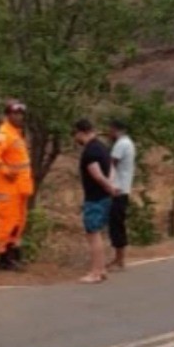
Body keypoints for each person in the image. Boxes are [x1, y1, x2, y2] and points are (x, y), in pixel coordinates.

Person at [0, 101, 35, 271]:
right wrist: (5, 171)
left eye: (21, 113)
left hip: (18, 188)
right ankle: (4, 259)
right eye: (15, 113)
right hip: (6, 188)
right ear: (8, 115)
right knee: (7, 222)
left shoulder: (16, 133)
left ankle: (14, 255)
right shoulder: (4, 134)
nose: (19, 116)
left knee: (18, 222)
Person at [73, 119, 118, 284]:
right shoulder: (102, 147)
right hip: (104, 197)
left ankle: (96, 272)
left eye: (75, 134)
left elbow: (97, 174)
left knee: (93, 234)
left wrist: (108, 187)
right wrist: (111, 185)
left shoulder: (90, 151)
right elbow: (112, 169)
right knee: (97, 232)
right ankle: (102, 269)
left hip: (95, 197)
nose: (75, 138)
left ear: (81, 132)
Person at [106, 118, 137, 272]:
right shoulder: (128, 143)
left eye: (110, 130)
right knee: (117, 224)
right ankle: (119, 258)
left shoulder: (121, 144)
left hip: (118, 189)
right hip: (123, 188)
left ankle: (120, 259)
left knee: (116, 224)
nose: (109, 133)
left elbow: (111, 164)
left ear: (116, 129)